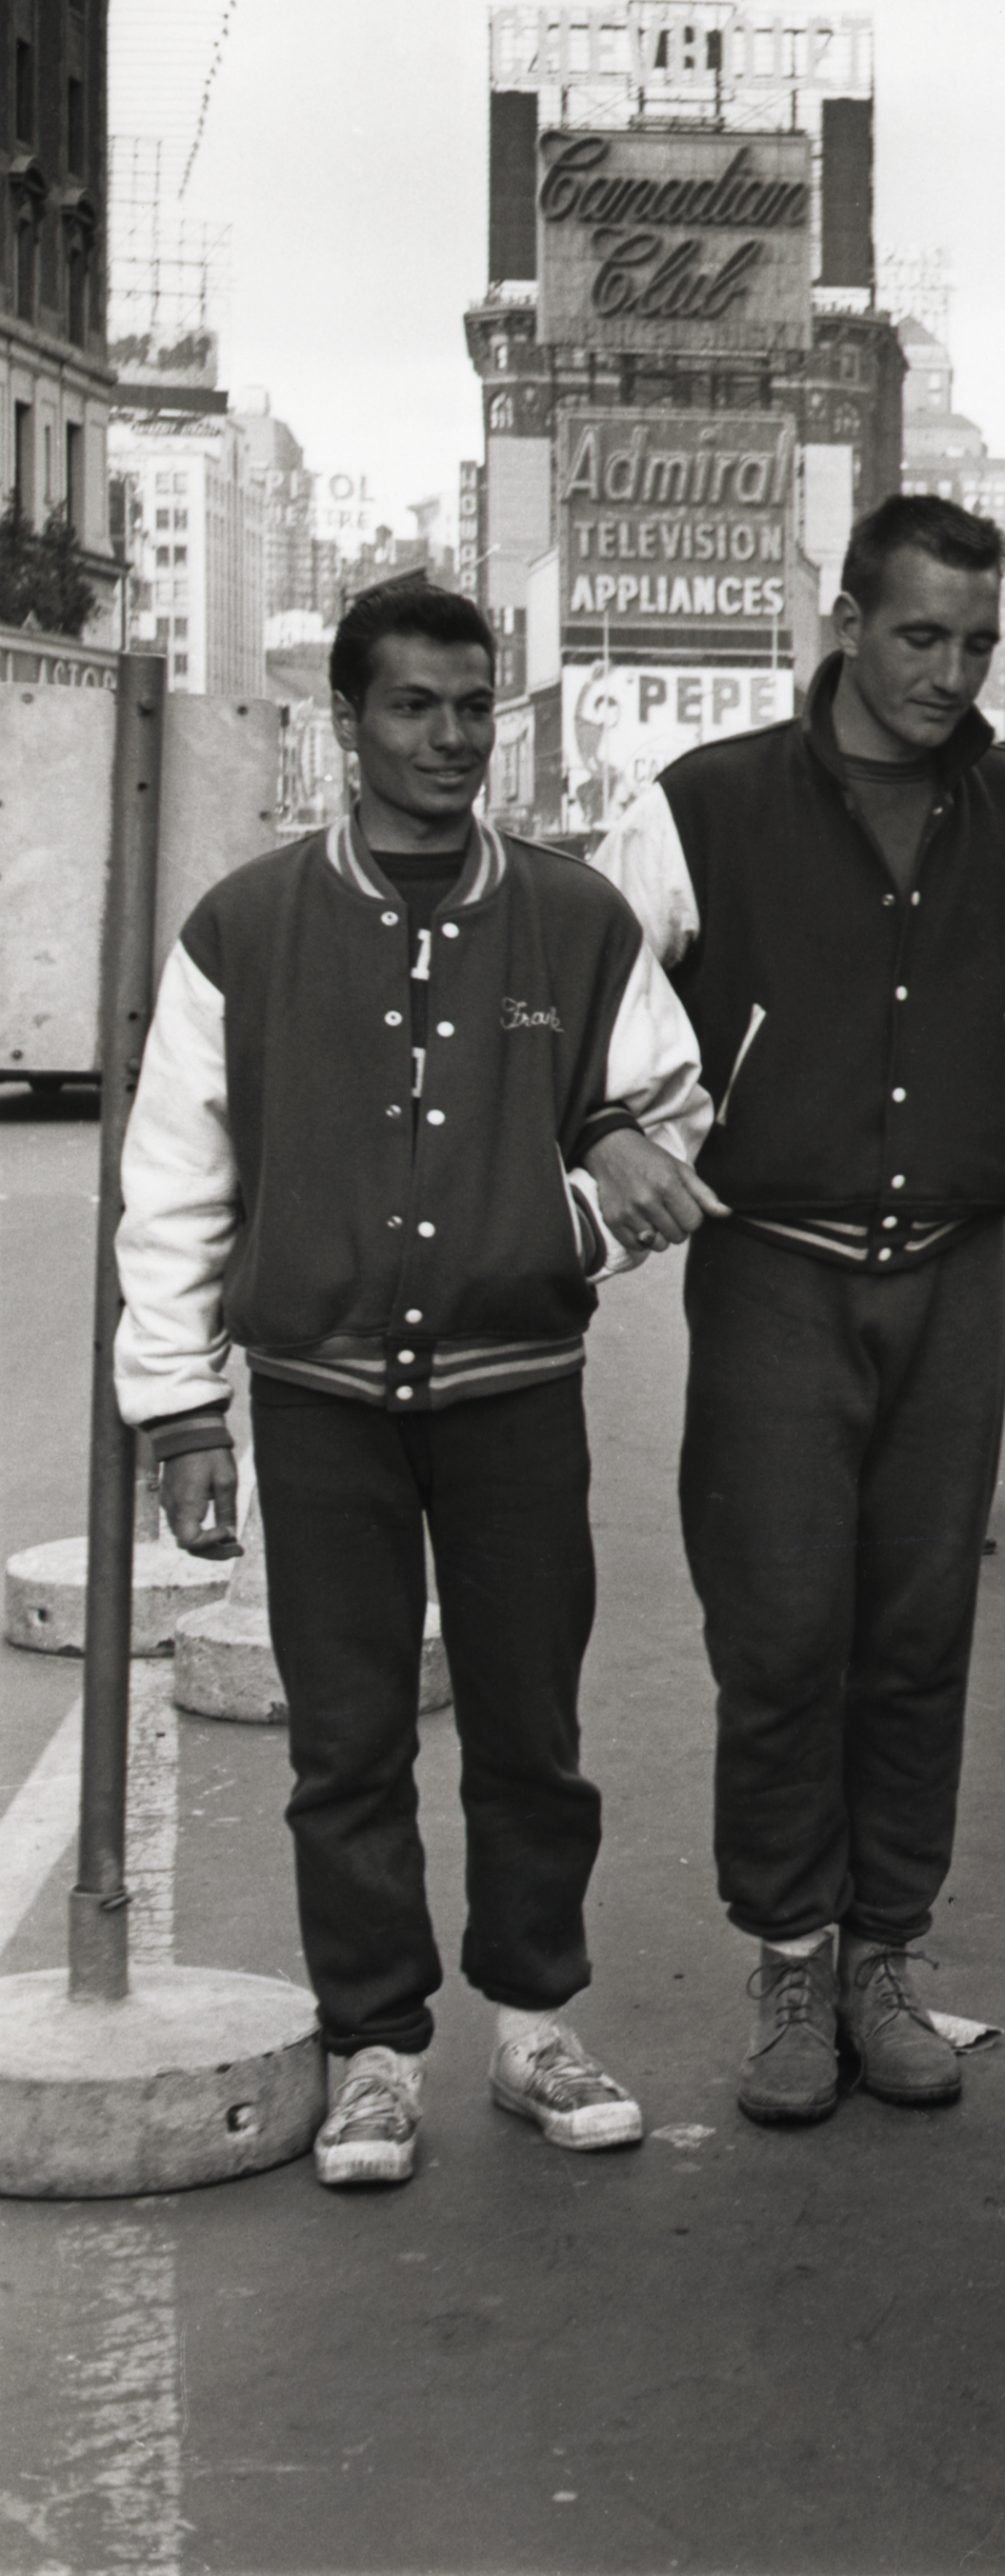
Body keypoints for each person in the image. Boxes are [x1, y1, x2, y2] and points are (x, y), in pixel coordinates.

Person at [117, 577, 711, 2188]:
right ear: (349, 720)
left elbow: (665, 1105)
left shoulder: (576, 917)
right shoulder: (245, 925)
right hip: (317, 1397)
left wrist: (572, 1211)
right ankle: (375, 2049)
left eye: (471, 707)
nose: (447, 739)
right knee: (348, 1741)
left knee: (531, 1723)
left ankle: (532, 2023)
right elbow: (177, 1176)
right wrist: (179, 1407)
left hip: (517, 1386)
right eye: (412, 707)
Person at [593, 493, 1005, 2124]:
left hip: (955, 1262)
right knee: (783, 1628)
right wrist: (607, 1130)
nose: (949, 671)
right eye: (922, 634)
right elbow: (585, 997)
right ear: (848, 622)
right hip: (777, 1261)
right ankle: (793, 1960)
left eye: (977, 643)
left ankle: (888, 1959)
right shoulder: (703, 805)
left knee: (920, 1632)